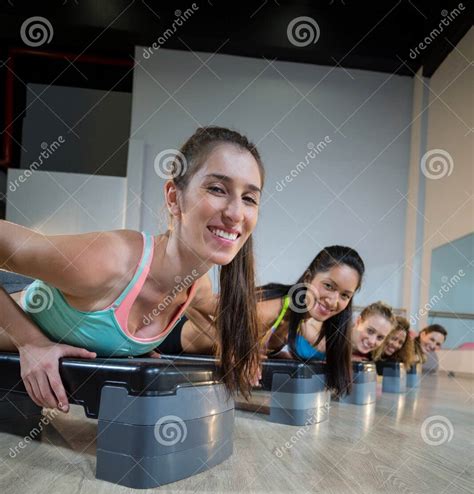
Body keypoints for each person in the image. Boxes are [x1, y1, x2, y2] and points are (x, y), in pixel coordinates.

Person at [0, 126, 265, 408]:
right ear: (174, 198)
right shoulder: (110, 262)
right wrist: (30, 342)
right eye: (216, 189)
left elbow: (213, 324)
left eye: (249, 198)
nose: (236, 213)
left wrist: (237, 354)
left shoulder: (196, 286)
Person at [160, 246, 365, 397]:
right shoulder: (273, 308)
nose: (333, 301)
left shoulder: (301, 318)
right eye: (328, 286)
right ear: (309, 278)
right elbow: (192, 301)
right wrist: (232, 347)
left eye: (345, 295)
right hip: (169, 340)